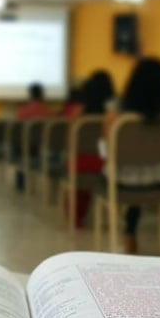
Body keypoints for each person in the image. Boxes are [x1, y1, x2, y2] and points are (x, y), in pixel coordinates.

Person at [110, 57, 160, 254]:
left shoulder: (117, 114)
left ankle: (129, 232)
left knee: (128, 171)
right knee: (145, 171)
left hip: (122, 180)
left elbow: (109, 149)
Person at [69, 70, 115, 228]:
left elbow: (71, 144)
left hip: (79, 164)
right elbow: (108, 145)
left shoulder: (78, 114)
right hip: (103, 163)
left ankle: (76, 216)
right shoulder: (112, 117)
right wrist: (102, 157)